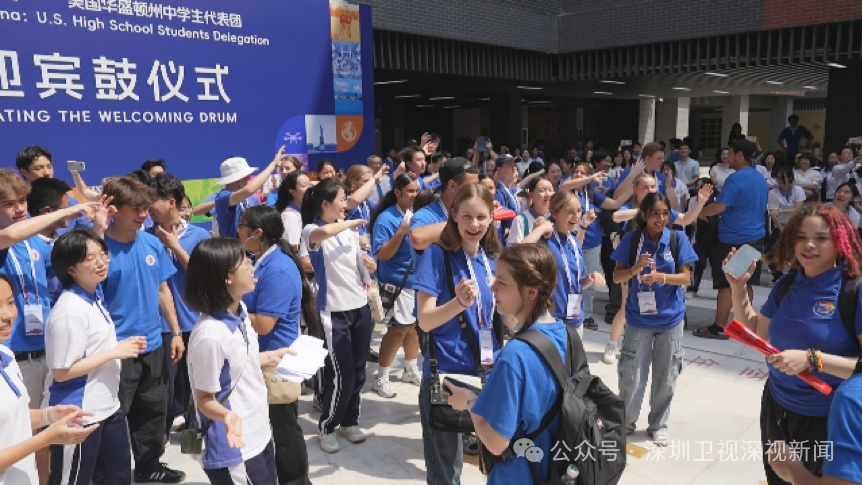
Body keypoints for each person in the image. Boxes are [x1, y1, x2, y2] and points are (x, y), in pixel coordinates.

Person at [726, 203, 862, 484]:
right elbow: (755, 331)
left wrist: (813, 359)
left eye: (821, 238)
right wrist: (738, 288)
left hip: (829, 420)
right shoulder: (786, 285)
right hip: (777, 408)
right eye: (800, 237)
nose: (808, 245)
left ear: (840, 242)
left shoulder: (853, 291)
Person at [444, 243, 589, 484]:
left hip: (518, 475)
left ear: (531, 292)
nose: (492, 288)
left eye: (502, 282)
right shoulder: (568, 335)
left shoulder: (515, 355)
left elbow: (496, 441)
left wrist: (469, 401)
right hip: (558, 472)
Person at [43, 229, 147, 485]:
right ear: (71, 270)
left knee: (118, 477)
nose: (101, 262)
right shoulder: (69, 310)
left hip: (108, 407)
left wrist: (120, 346)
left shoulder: (93, 297)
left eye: (103, 254)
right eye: (90, 259)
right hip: (77, 412)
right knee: (72, 479)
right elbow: (62, 371)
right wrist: (115, 352)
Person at [185, 238, 292, 485]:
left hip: (259, 431)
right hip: (234, 447)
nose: (251, 264)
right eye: (244, 261)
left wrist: (271, 356)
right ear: (227, 278)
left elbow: (235, 364)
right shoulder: (210, 335)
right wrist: (229, 417)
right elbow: (204, 400)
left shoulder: (240, 311)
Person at [100, 177, 186, 483]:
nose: (143, 215)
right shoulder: (97, 249)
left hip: (154, 343)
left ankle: (149, 466)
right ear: (112, 208)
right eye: (135, 208)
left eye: (145, 208)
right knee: (113, 416)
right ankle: (107, 475)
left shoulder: (151, 242)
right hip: (116, 350)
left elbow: (163, 289)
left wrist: (175, 332)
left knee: (153, 411)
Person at [414, 183, 502, 485]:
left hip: (488, 373)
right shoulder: (436, 256)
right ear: (453, 216)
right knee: (446, 472)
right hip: (447, 378)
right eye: (466, 217)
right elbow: (424, 321)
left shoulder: (491, 258)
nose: (474, 224)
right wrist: (458, 303)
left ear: (491, 217)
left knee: (495, 458)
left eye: (481, 216)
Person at [611, 192, 698, 445]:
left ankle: (658, 424)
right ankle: (626, 422)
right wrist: (635, 269)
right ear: (644, 215)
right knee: (632, 376)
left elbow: (686, 278)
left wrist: (661, 277)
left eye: (665, 213)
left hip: (670, 320)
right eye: (654, 213)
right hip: (639, 320)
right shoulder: (632, 239)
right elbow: (617, 278)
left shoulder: (677, 238)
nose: (660, 219)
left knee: (666, 375)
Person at [238, 206, 314, 485]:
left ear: (257, 233)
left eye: (242, 225)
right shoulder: (260, 260)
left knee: (284, 431)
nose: (238, 230)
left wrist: (231, 305)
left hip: (276, 362)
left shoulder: (278, 269)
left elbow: (265, 324)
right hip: (265, 357)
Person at [0, 273, 99, 485]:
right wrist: (46, 438)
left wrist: (49, 415)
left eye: (10, 302)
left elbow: (11, 418)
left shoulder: (6, 356)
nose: (7, 315)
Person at [300, 178, 376, 453]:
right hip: (334, 312)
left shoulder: (348, 233)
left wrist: (370, 264)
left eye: (346, 200)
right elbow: (323, 234)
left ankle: (349, 421)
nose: (346, 205)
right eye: (342, 200)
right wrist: (351, 225)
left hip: (360, 308)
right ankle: (328, 426)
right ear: (325, 204)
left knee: (358, 371)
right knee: (341, 373)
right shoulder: (311, 230)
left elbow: (362, 269)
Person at [147, 174, 211, 435]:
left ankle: (199, 428)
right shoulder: (145, 237)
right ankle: (170, 423)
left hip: (194, 320)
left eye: (153, 203)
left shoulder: (199, 235)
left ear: (170, 202)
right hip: (161, 325)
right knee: (167, 383)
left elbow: (205, 275)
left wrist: (174, 246)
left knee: (199, 382)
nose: (148, 209)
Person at [694, 139, 768, 340]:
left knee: (727, 284)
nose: (727, 156)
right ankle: (748, 327)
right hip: (755, 237)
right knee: (747, 282)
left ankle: (719, 326)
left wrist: (698, 212)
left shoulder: (736, 179)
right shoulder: (760, 178)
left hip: (733, 239)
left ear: (740, 155)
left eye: (731, 153)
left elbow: (719, 206)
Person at [570, 160, 640, 330]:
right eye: (576, 172)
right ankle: (570, 313)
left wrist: (635, 186)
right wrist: (590, 178)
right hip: (570, 242)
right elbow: (567, 185)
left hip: (593, 243)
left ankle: (586, 315)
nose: (579, 175)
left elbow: (615, 204)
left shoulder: (593, 195)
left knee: (590, 281)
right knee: (571, 279)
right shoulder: (566, 192)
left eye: (583, 173)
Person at [522, 191, 604, 336]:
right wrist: (540, 228)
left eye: (578, 211)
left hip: (575, 319)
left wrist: (590, 278)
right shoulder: (546, 240)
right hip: (550, 320)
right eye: (570, 212)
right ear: (554, 213)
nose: (577, 216)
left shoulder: (574, 242)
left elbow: (577, 282)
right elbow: (519, 252)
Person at [370, 175, 422, 398]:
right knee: (397, 330)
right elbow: (382, 254)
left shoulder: (419, 214)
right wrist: (402, 231)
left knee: (413, 327)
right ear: (398, 192)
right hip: (397, 282)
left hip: (417, 280)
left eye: (417, 190)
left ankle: (410, 368)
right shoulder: (386, 219)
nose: (415, 195)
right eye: (410, 191)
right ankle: (381, 377)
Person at [409, 158, 479, 254]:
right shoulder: (426, 215)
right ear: (452, 185)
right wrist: (463, 223)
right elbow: (418, 239)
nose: (476, 191)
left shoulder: (471, 212)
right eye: (471, 186)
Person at [215, 148, 284, 239]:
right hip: (232, 250)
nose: (249, 178)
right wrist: (273, 164)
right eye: (246, 175)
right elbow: (249, 190)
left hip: (252, 250)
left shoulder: (252, 198)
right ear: (237, 179)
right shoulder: (223, 197)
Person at [766, 168, 806, 285]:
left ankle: (793, 276)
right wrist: (782, 230)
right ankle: (777, 276)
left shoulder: (798, 190)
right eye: (778, 178)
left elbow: (798, 210)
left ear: (790, 178)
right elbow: (773, 214)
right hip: (780, 225)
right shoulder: (773, 192)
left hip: (797, 225)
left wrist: (781, 210)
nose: (780, 181)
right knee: (769, 251)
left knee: (798, 252)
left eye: (782, 178)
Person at [508, 177, 554, 246]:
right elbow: (515, 253)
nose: (548, 194)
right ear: (531, 195)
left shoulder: (556, 218)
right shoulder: (521, 220)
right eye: (542, 190)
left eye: (550, 190)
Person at [275, 171, 310, 253]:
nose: (310, 189)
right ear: (292, 192)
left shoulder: (306, 210)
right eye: (304, 186)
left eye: (310, 185)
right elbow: (292, 248)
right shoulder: (290, 215)